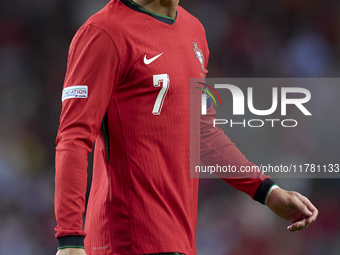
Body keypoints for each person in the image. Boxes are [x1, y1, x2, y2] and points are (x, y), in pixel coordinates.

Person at [54, 0, 318, 255]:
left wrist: (267, 192)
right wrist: (70, 239)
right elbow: (74, 137)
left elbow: (203, 133)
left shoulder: (194, 31)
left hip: (179, 239)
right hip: (125, 240)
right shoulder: (103, 32)